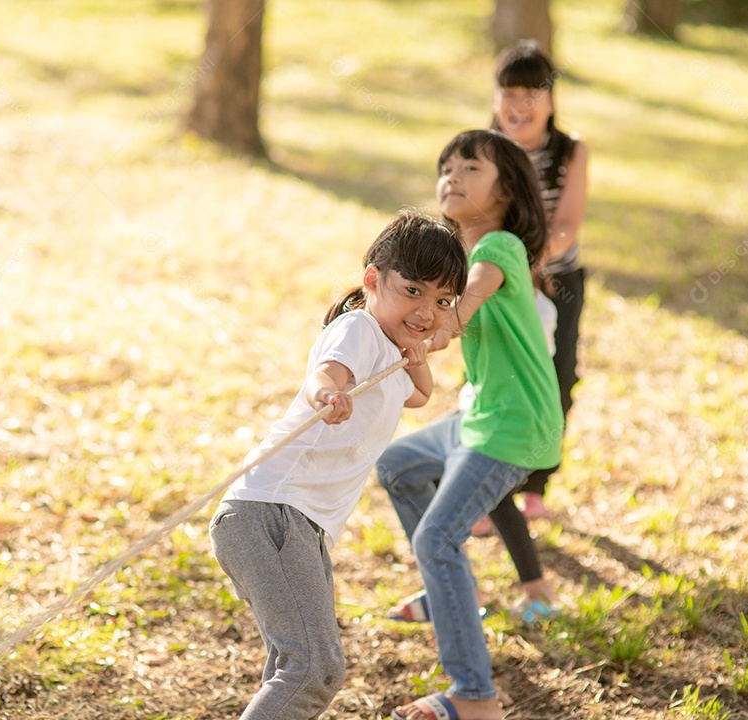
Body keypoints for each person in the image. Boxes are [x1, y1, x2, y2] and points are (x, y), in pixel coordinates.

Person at [209, 211, 468, 720]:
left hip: (295, 525)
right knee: (313, 670)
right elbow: (326, 372)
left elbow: (419, 395)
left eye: (443, 301)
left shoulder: (391, 351)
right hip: (272, 513)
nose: (427, 310)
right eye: (413, 290)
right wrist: (328, 394)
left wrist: (415, 352)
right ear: (372, 280)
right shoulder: (360, 330)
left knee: (295, 666)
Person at [376, 130, 563, 720]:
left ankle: (474, 695)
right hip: (479, 415)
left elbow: (473, 297)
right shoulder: (462, 258)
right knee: (397, 465)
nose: (451, 176)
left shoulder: (499, 247)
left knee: (436, 538)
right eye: (446, 167)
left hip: (512, 424)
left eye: (470, 167)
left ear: (506, 189)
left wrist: (444, 323)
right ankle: (457, 590)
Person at [489, 40, 589, 523]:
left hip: (557, 280)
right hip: (497, 281)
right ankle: (487, 488)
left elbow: (566, 224)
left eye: (532, 93)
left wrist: (528, 260)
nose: (519, 105)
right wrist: (505, 269)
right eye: (509, 93)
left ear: (551, 100)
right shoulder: (483, 149)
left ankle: (536, 484)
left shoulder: (571, 150)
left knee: (557, 375)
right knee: (492, 378)